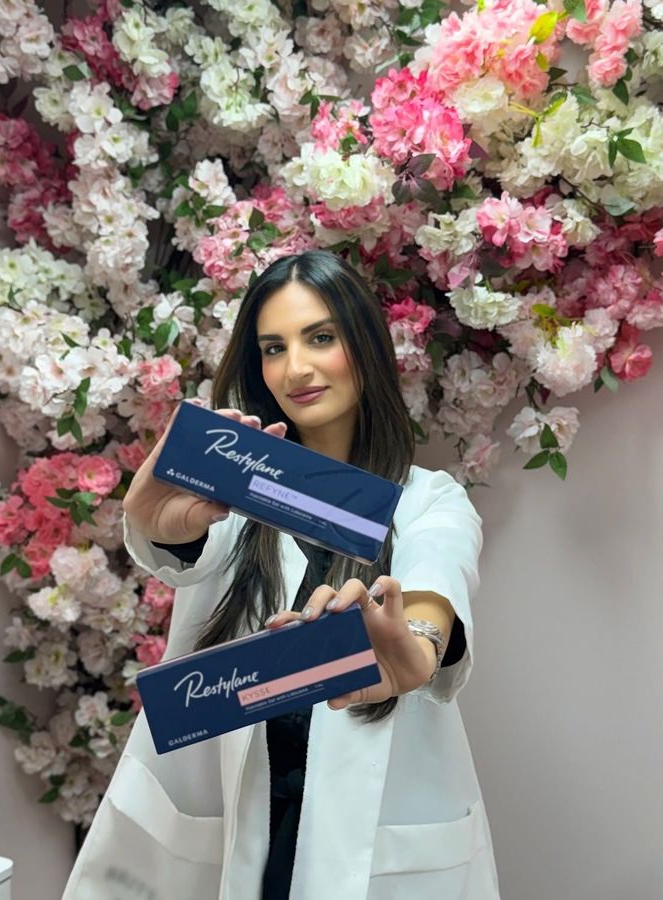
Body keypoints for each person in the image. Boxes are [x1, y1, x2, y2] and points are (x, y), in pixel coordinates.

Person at [62, 250, 501, 900]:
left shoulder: (426, 502)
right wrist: (156, 522)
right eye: (273, 347)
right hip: (228, 838)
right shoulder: (233, 495)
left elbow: (436, 575)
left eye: (320, 337)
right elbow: (186, 548)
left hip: (371, 847)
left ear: (365, 346)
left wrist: (416, 642)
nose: (295, 368)